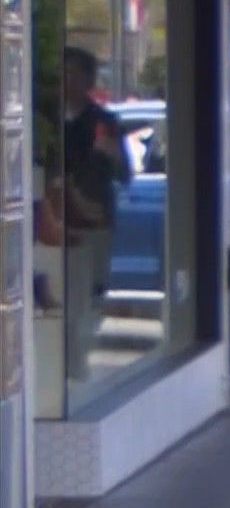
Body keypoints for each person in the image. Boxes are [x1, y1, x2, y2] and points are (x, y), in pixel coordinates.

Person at [53, 48, 132, 383]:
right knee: (60, 295)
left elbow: (124, 174)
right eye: (64, 73)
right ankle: (63, 365)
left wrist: (111, 155)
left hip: (93, 223)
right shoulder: (49, 121)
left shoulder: (103, 121)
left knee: (88, 297)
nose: (68, 80)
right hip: (57, 221)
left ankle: (77, 365)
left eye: (75, 73)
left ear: (88, 80)